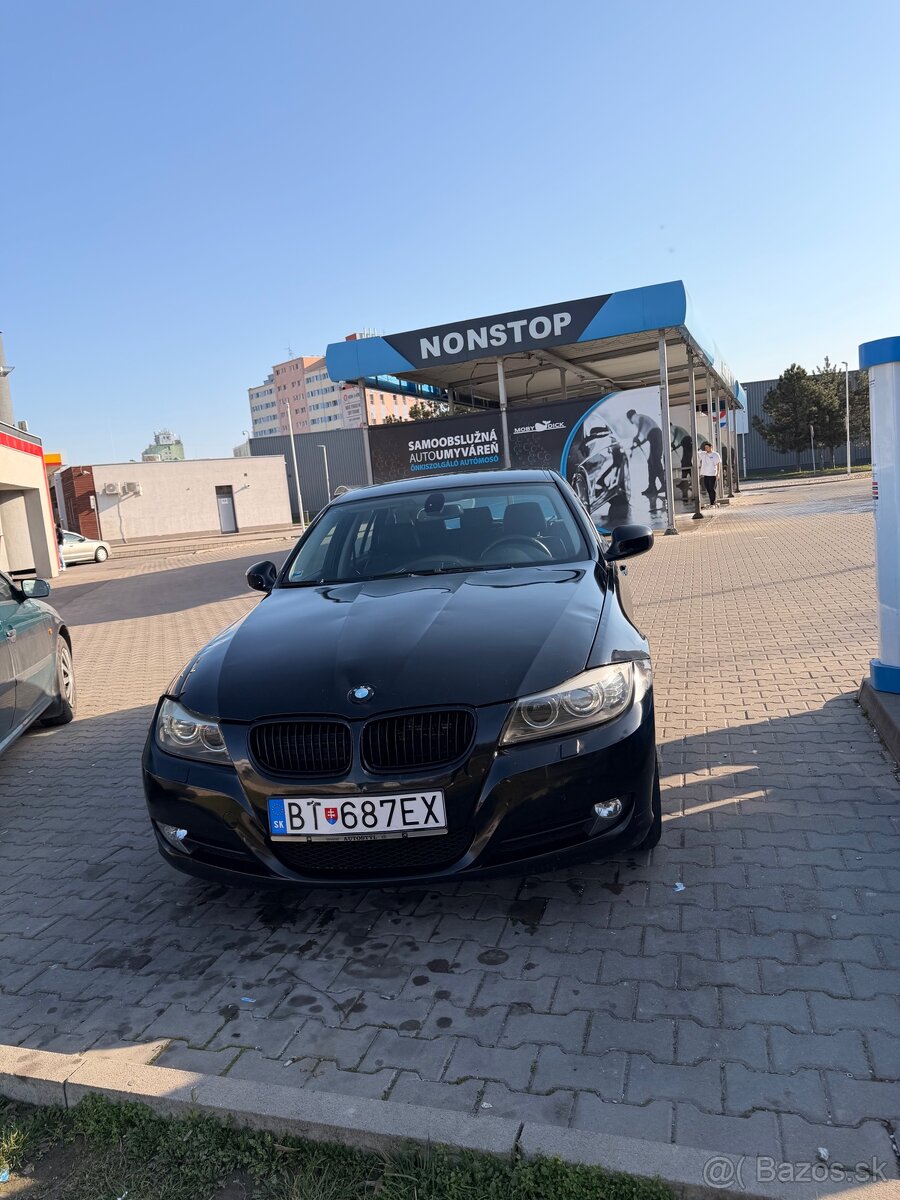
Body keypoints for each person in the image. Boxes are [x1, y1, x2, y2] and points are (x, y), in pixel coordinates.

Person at [627, 409, 665, 497]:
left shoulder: (635, 417)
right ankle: (652, 487)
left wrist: (637, 435)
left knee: (655, 461)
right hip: (655, 435)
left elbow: (641, 420)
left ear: (629, 417)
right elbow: (647, 436)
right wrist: (638, 444)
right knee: (651, 463)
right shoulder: (644, 420)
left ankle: (663, 485)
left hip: (654, 435)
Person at [698, 440, 722, 507]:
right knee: (708, 488)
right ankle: (712, 501)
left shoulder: (715, 455)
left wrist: (718, 473)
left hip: (712, 474)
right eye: (705, 448)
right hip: (705, 474)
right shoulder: (703, 454)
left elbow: (718, 464)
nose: (706, 449)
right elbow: (697, 453)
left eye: (707, 447)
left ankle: (713, 502)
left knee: (712, 488)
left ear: (711, 447)